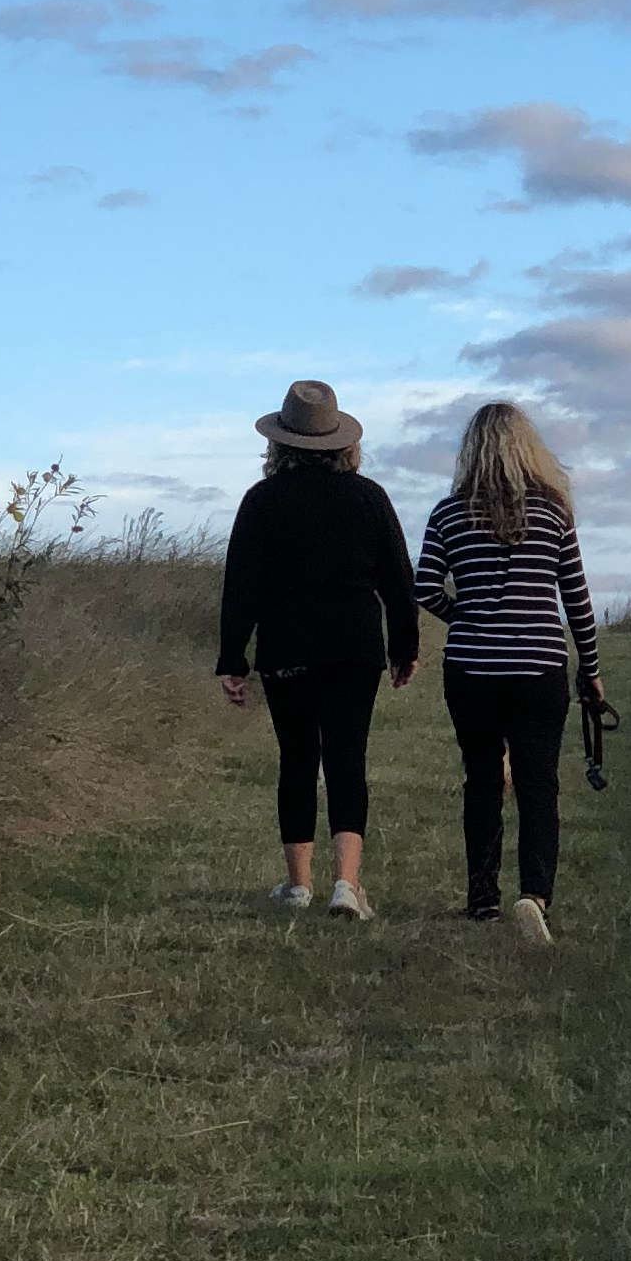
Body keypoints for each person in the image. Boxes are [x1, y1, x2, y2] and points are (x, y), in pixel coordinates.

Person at [215, 380, 419, 922]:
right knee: (348, 759)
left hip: (287, 646)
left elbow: (241, 586)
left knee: (298, 760)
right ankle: (346, 885)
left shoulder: (261, 501)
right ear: (343, 443)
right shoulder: (369, 497)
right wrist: (405, 647)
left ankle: (298, 885)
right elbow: (398, 580)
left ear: (278, 443)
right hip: (355, 646)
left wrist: (232, 659)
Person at [413, 400, 602, 945]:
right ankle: (534, 895)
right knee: (539, 782)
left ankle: (482, 898)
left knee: (481, 779)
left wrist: (464, 615)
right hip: (539, 666)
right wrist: (590, 670)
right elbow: (576, 599)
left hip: (471, 668)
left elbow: (424, 587)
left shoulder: (448, 514)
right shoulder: (553, 512)